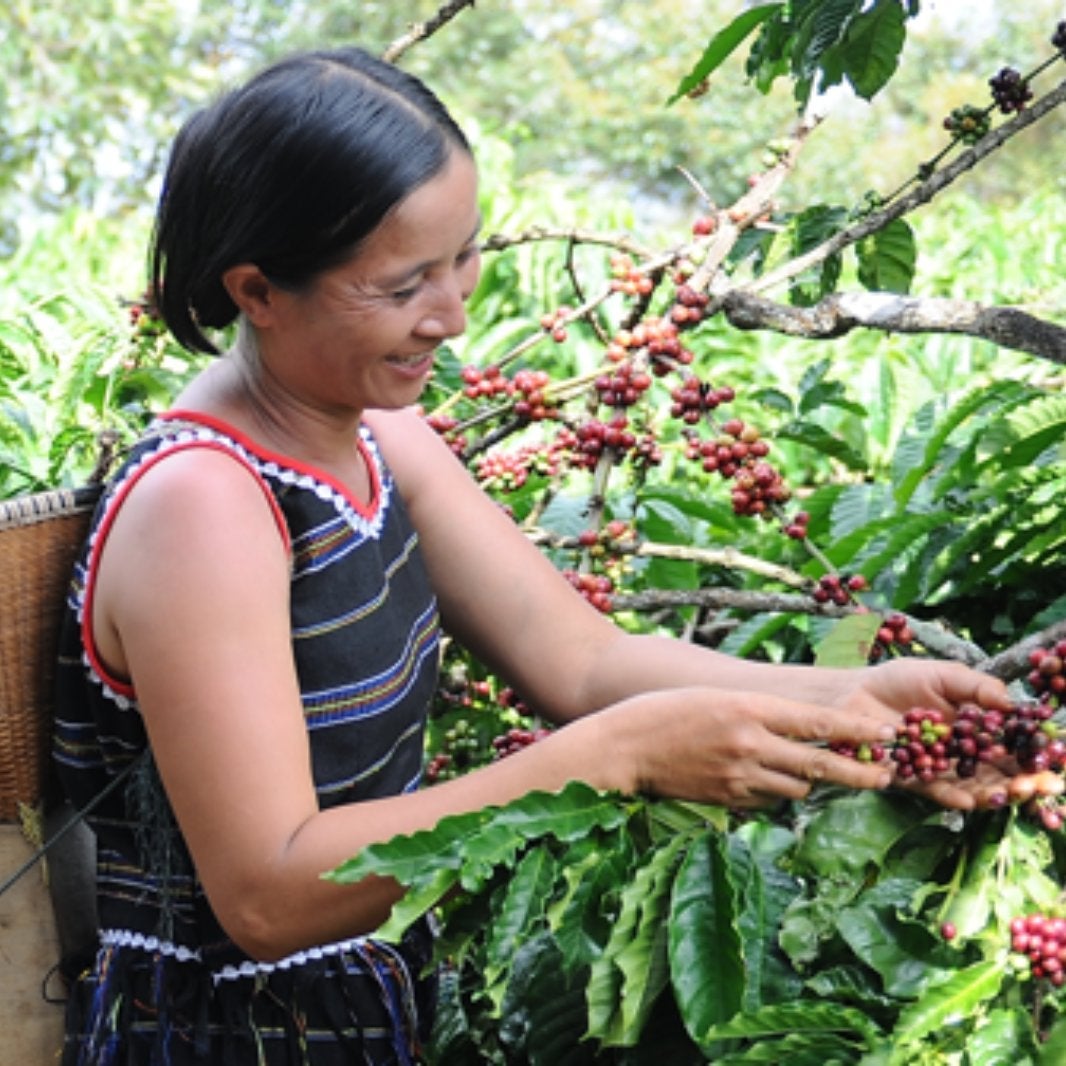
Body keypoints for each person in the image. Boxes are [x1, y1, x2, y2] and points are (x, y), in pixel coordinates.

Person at [51, 45, 1014, 1065]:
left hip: (361, 1002)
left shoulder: (378, 435)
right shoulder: (206, 506)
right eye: (403, 284)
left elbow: (580, 659)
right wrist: (614, 760)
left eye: (463, 255)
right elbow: (270, 893)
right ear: (258, 291)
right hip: (230, 1037)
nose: (452, 312)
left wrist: (853, 704)